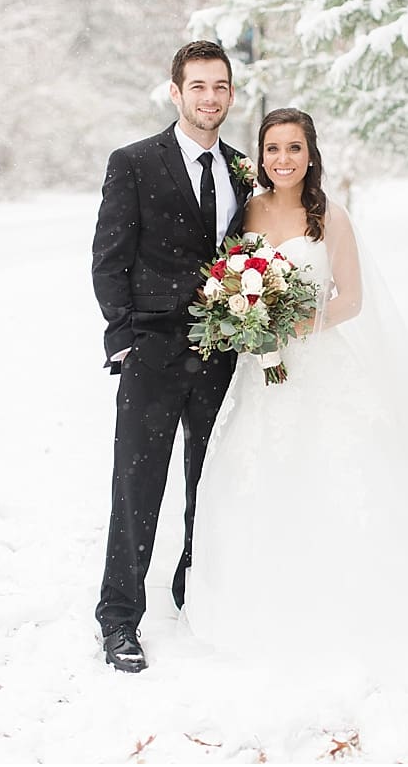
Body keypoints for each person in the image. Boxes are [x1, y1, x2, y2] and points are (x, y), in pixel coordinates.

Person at [185, 107, 408, 716]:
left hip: (320, 368)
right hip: (263, 377)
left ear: (310, 154)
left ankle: (360, 597)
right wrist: (249, 324)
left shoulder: (330, 218)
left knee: (343, 475)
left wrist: (289, 325)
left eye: (294, 148)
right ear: (261, 153)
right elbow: (227, 280)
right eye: (273, 148)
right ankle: (267, 599)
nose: (282, 159)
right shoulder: (245, 214)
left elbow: (349, 299)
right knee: (260, 476)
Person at [90, 40, 253, 672]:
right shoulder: (133, 163)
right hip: (153, 350)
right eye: (198, 86)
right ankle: (118, 617)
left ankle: (192, 586)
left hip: (221, 350)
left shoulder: (245, 169)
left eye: (220, 87)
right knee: (138, 485)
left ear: (230, 94)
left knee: (209, 481)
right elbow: (109, 258)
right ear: (175, 91)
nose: (210, 98)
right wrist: (125, 336)